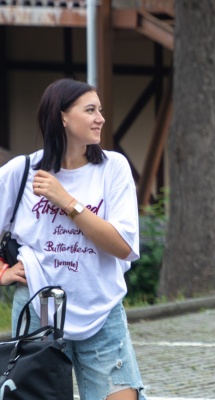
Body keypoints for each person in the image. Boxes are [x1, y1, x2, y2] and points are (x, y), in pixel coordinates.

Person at [0, 78, 146, 400]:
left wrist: (66, 201)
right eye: (90, 110)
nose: (100, 119)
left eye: (100, 110)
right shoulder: (22, 171)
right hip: (42, 309)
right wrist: (2, 271)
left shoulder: (113, 167)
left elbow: (123, 246)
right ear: (62, 116)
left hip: (102, 308)